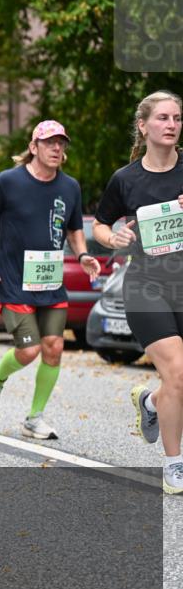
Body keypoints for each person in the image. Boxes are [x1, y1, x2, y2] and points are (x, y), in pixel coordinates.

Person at [0, 121, 101, 439]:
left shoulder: (70, 187)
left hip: (51, 282)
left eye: (61, 143)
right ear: (33, 147)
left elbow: (74, 229)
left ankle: (34, 418)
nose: (57, 148)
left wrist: (83, 255)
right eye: (49, 143)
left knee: (54, 348)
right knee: (29, 351)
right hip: (15, 281)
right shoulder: (8, 182)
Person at [93, 90, 183, 495]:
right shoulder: (125, 179)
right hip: (146, 285)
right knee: (177, 372)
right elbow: (101, 223)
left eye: (177, 118)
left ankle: (149, 402)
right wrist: (112, 237)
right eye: (163, 117)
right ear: (143, 126)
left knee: (178, 380)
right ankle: (174, 464)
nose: (171, 124)